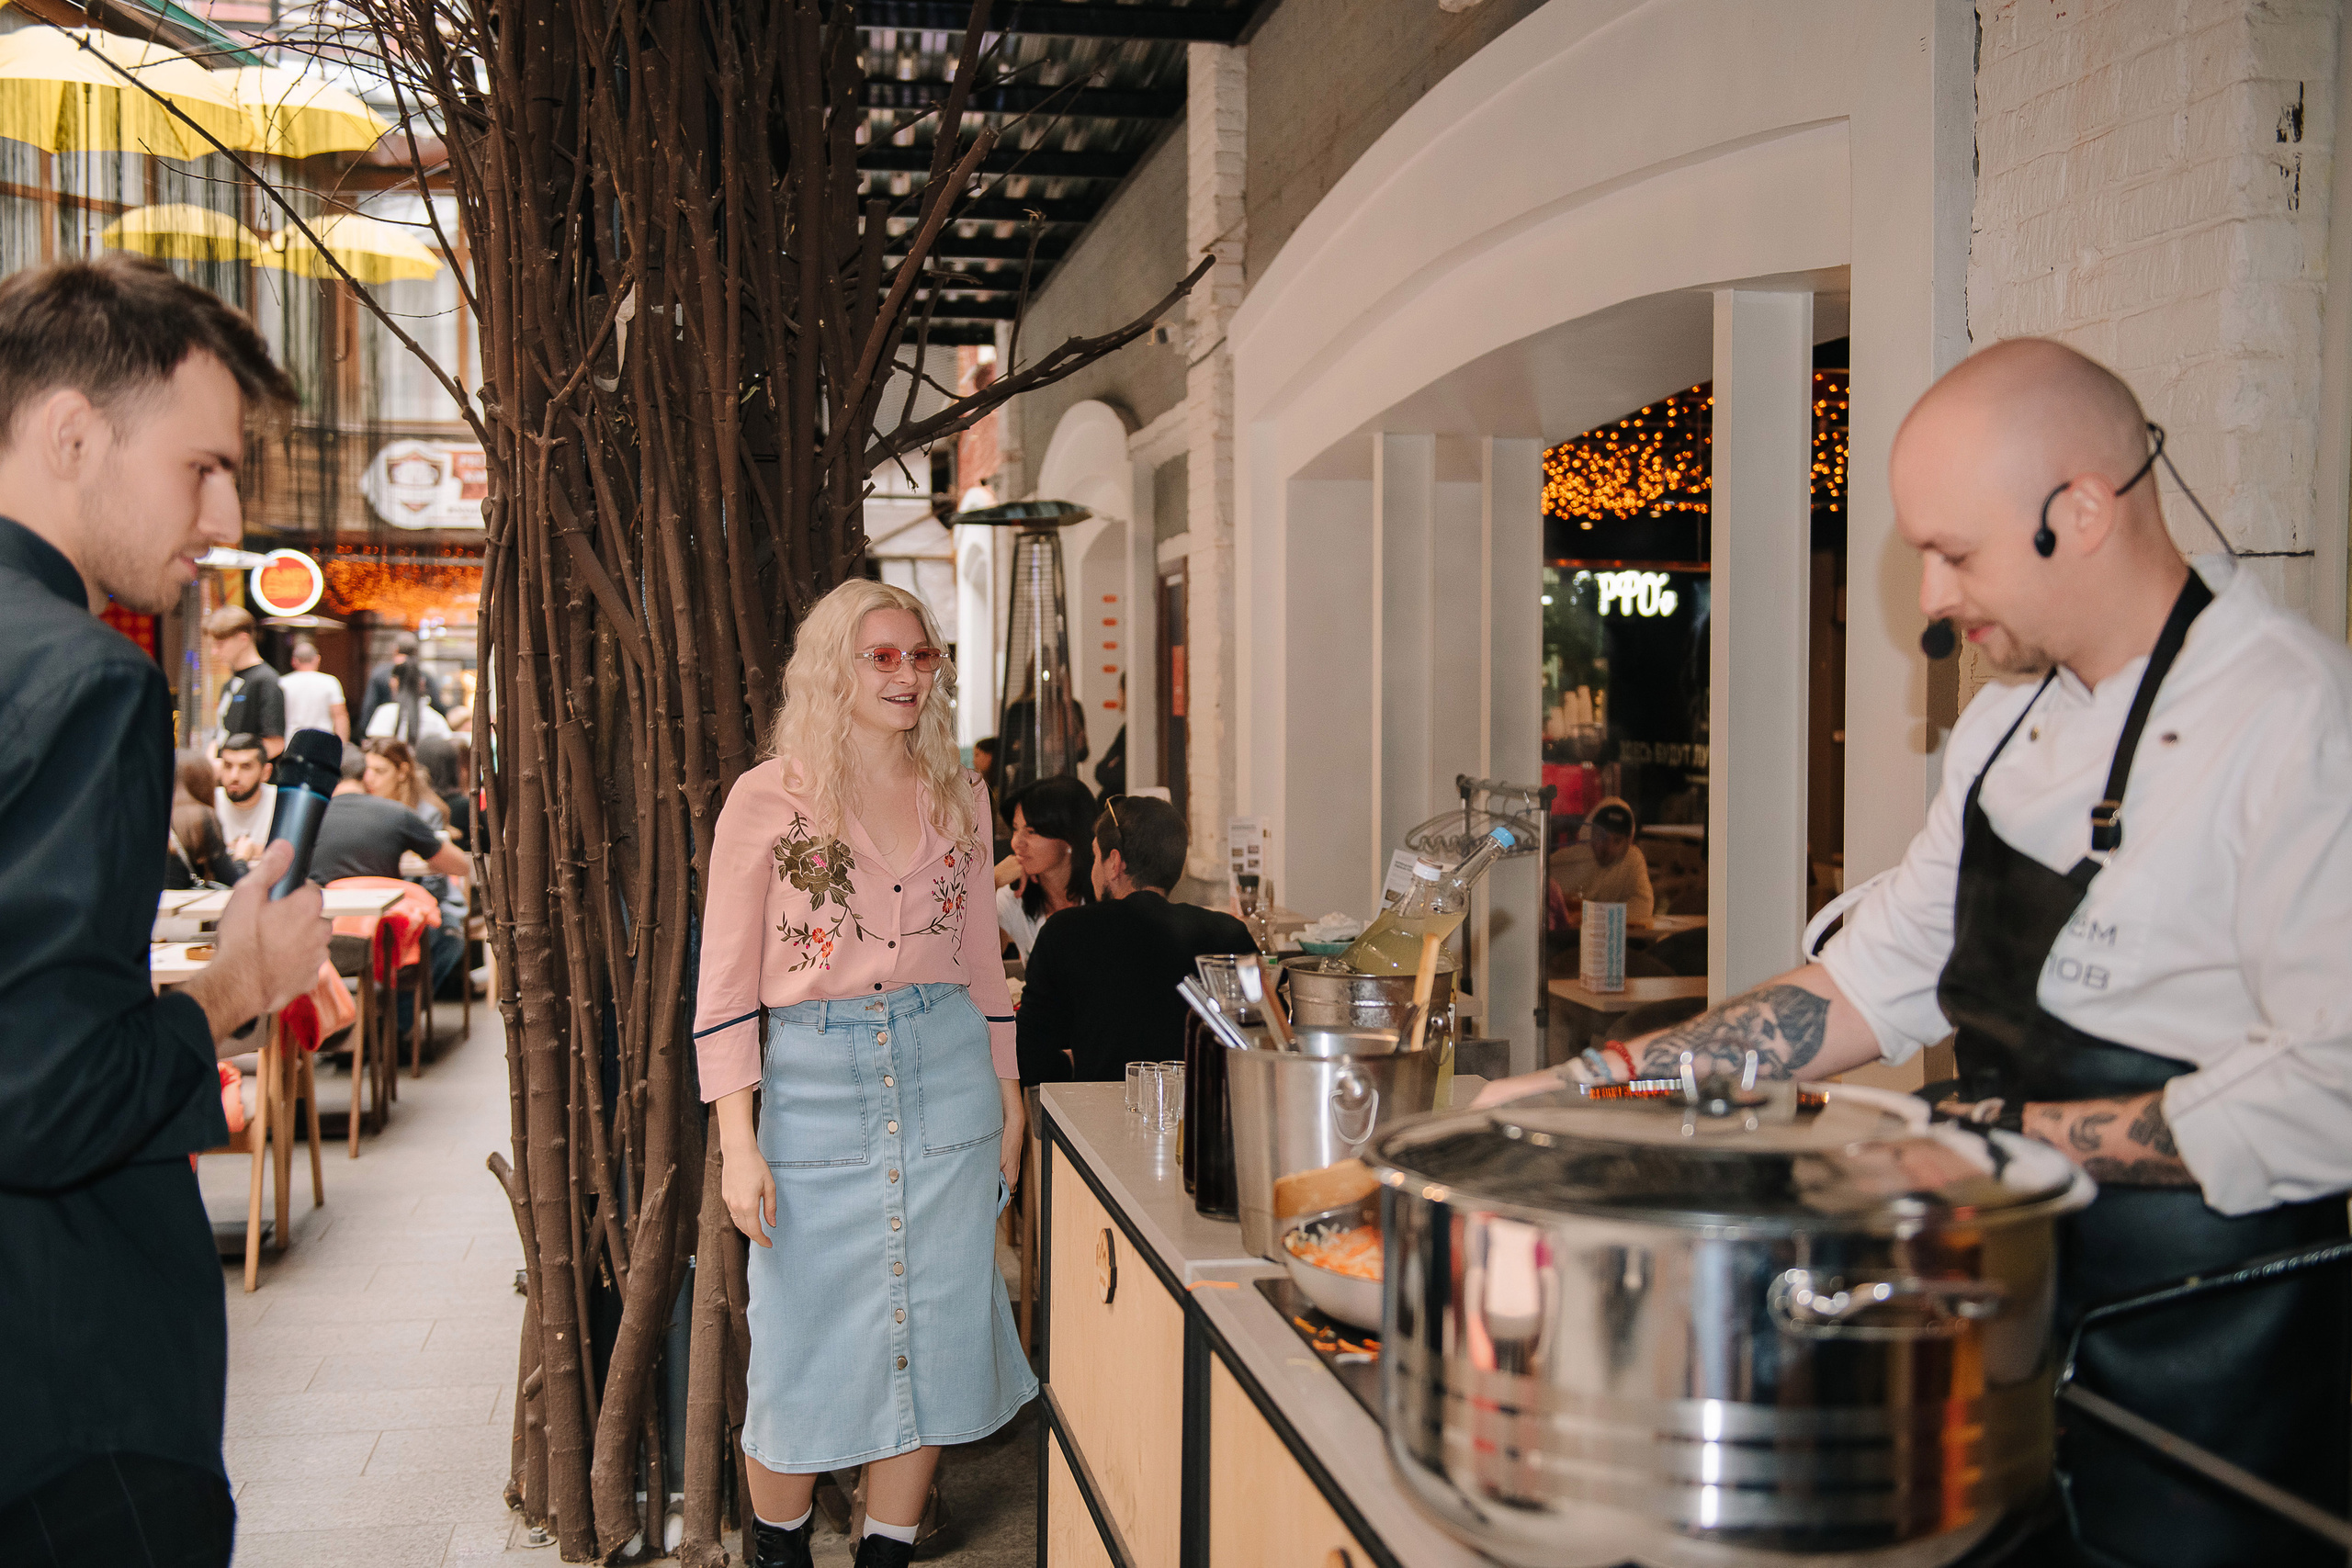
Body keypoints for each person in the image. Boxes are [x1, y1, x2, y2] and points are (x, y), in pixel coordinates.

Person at [1480, 338, 2352, 1568]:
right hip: (1994, 1358)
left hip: (2208, 1394)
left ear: (2084, 510)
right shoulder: (2004, 725)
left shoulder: (2296, 719)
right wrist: (1596, 1088)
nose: (1932, 598)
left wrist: (2000, 1140)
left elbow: (2334, 1087)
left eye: (1956, 552)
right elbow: (1863, 979)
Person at [0, 254, 327, 1567]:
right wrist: (228, 989)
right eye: (202, 466)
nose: (229, 511)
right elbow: (43, 1091)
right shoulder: (84, 680)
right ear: (74, 432)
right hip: (64, 1402)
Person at [693, 580, 1033, 1568]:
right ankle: (780, 1548)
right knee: (799, 1343)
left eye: (920, 657)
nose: (905, 675)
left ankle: (887, 1552)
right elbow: (721, 989)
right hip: (812, 1083)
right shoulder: (768, 798)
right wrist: (736, 1145)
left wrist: (1009, 1101)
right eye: (881, 656)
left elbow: (982, 964)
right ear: (831, 668)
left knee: (930, 1333)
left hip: (948, 1078)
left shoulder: (959, 792)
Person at [1017, 794, 1254, 1086]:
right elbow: (1259, 1045)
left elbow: (1027, 1059)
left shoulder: (1066, 932)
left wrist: (1073, 1062)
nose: (1093, 870)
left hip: (1097, 1121)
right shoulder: (1228, 933)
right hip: (1199, 1116)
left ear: (1114, 862)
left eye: (1095, 857)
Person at [312, 763, 470, 1034]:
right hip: (382, 937)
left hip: (321, 938)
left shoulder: (305, 818)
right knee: (448, 935)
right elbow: (461, 866)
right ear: (366, 777)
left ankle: (339, 1029)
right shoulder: (396, 814)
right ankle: (392, 1026)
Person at [992, 774, 1096, 961]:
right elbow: (981, 958)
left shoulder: (1104, 894)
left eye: (1031, 832)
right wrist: (992, 881)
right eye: (1016, 829)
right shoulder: (1015, 897)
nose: (1017, 843)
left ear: (1070, 838)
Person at [1546, 795, 1653, 928]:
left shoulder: (1632, 860)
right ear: (1590, 833)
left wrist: (1591, 915)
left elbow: (1642, 907)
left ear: (1628, 842)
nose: (1607, 847)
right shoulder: (1569, 859)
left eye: (1617, 841)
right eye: (1601, 837)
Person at [206, 604, 283, 758]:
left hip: (251, 778)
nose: (214, 652)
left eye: (220, 645)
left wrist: (232, 766)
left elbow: (275, 742)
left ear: (243, 639)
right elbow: (221, 733)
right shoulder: (229, 684)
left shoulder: (266, 680)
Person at [167, 752, 243, 889]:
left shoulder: (153, 814)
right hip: (184, 907)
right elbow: (235, 882)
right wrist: (241, 858)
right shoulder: (202, 816)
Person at [212, 731, 277, 862]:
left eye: (245, 767)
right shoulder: (208, 802)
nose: (234, 776)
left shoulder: (281, 802)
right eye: (228, 766)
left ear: (266, 772)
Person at [361, 734, 447, 831]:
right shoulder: (356, 811)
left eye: (380, 771)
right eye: (365, 771)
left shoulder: (426, 816)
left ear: (402, 772)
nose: (368, 779)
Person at [365, 657, 453, 744]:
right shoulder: (436, 719)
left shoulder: (385, 713)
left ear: (394, 682)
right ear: (422, 683)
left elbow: (375, 747)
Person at [361, 632, 444, 725]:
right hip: (419, 724)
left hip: (385, 726)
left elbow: (369, 707)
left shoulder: (379, 675)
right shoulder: (424, 675)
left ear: (395, 649)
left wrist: (364, 732)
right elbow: (437, 706)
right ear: (415, 651)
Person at [278, 638, 347, 739]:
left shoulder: (282, 683)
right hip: (322, 743)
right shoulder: (330, 682)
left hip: (291, 742)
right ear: (317, 659)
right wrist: (342, 746)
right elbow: (340, 716)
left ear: (293, 661)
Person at [1093, 672, 1125, 796]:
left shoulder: (1128, 733)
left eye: (1119, 689)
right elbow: (1100, 770)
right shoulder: (1125, 731)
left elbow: (1111, 774)